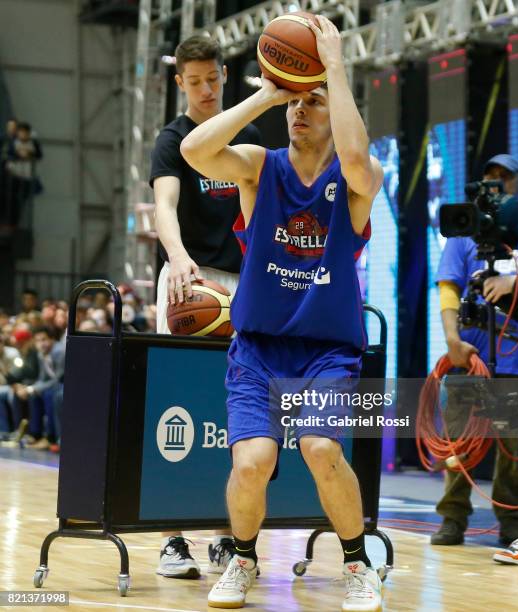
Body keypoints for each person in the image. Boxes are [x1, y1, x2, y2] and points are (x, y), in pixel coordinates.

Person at [181, 15, 383, 611]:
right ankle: (241, 560)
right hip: (260, 348)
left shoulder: (357, 182)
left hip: (326, 348)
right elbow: (195, 150)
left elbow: (352, 155)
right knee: (253, 464)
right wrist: (271, 90)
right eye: (297, 103)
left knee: (322, 449)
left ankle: (357, 564)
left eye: (314, 102)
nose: (301, 110)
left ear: (337, 106)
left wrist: (334, 70)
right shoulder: (257, 166)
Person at [149, 34, 261, 579]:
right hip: (187, 280)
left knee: (233, 413)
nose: (206, 89)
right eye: (194, 82)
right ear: (181, 83)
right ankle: (171, 540)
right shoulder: (171, 139)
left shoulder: (251, 134)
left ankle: (226, 539)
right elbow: (164, 205)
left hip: (241, 282)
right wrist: (177, 257)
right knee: (176, 405)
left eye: (213, 78)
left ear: (224, 73)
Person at [432, 154, 518, 560]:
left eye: (505, 177)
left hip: (515, 354)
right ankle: (452, 517)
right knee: (460, 440)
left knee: (513, 445)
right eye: (490, 178)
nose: (497, 184)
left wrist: (513, 279)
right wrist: (451, 341)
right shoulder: (464, 230)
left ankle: (512, 523)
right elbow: (448, 287)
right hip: (469, 351)